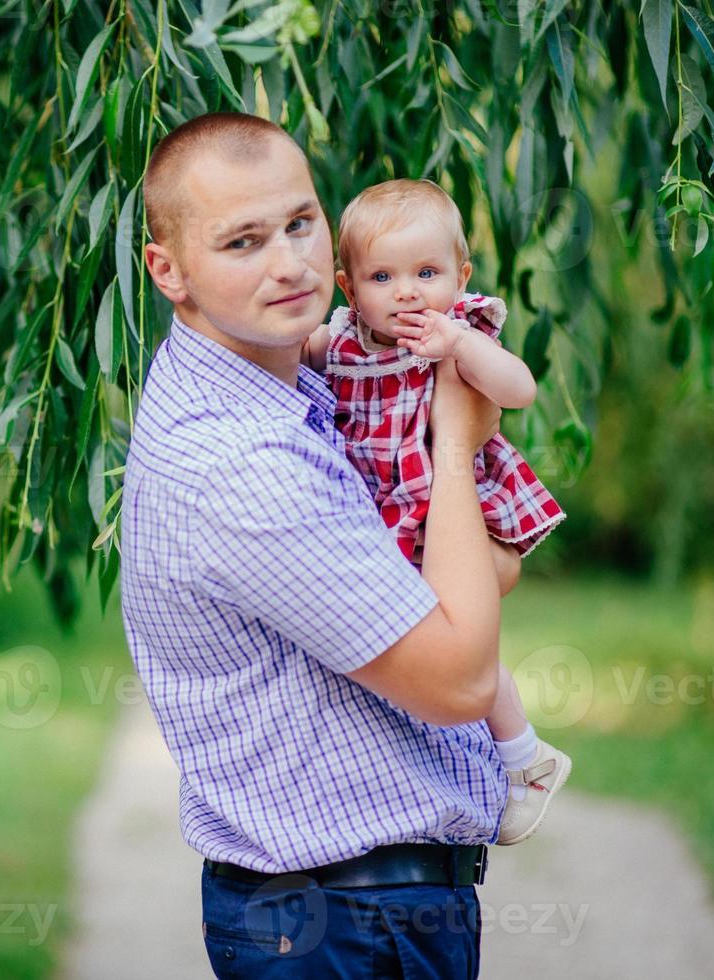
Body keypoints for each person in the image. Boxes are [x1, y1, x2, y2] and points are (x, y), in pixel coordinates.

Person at [121, 111, 504, 978]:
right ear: (167, 270)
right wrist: (453, 439)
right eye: (242, 242)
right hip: (347, 926)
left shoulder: (287, 386)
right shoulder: (242, 461)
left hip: (346, 914)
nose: (288, 263)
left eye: (299, 223)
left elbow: (472, 576)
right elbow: (459, 678)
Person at [300, 178, 572, 846]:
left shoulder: (461, 331)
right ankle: (520, 756)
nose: (407, 292)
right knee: (435, 646)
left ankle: (521, 755)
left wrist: (458, 348)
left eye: (427, 272)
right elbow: (289, 360)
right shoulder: (337, 344)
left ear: (461, 274)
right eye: (382, 276)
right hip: (383, 520)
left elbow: (519, 390)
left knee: (452, 640)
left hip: (441, 511)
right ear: (347, 286)